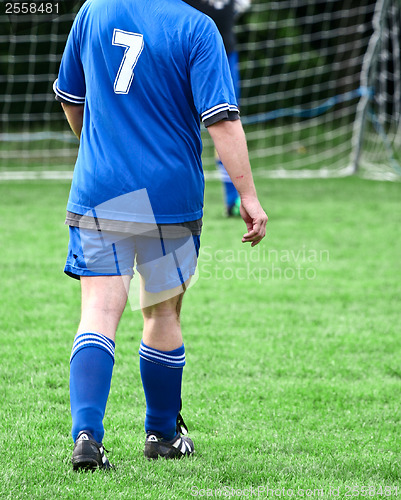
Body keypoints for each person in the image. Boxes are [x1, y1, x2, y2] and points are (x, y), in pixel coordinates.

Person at [54, 0, 267, 470]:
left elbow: (72, 99)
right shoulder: (197, 27)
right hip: (169, 196)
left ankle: (87, 437)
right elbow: (222, 120)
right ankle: (163, 434)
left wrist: (99, 148)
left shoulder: (93, 11)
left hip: (102, 188)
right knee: (161, 312)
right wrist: (248, 195)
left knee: (97, 314)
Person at [183, 0, 251, 216]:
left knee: (226, 123)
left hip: (226, 57)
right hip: (187, 57)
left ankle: (234, 199)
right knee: (179, 122)